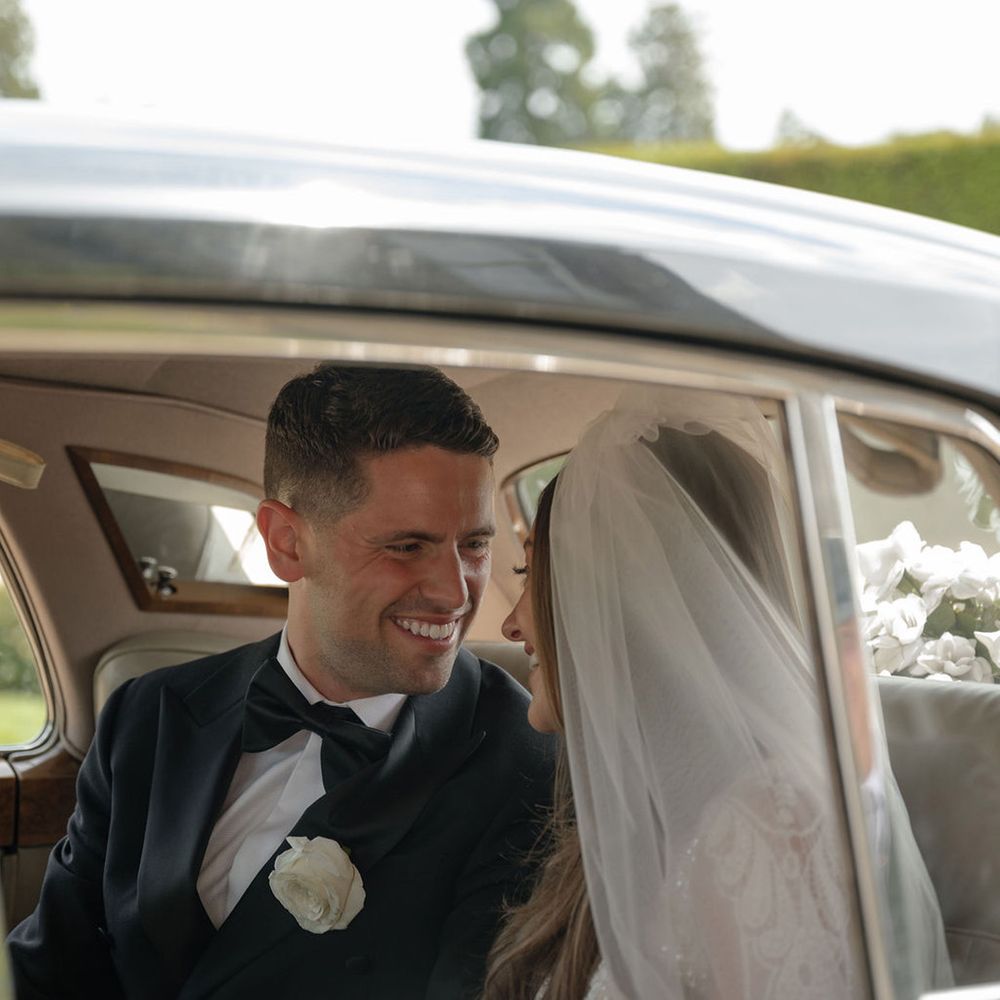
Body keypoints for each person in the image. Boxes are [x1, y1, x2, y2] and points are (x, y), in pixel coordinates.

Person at [8, 364, 554, 1000]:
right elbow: (53, 963)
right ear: (286, 542)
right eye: (407, 546)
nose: (455, 594)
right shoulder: (150, 711)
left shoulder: (527, 760)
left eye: (475, 546)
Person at [484, 388, 953, 999]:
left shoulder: (776, 824)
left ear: (630, 599)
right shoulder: (653, 803)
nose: (510, 623)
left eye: (531, 576)